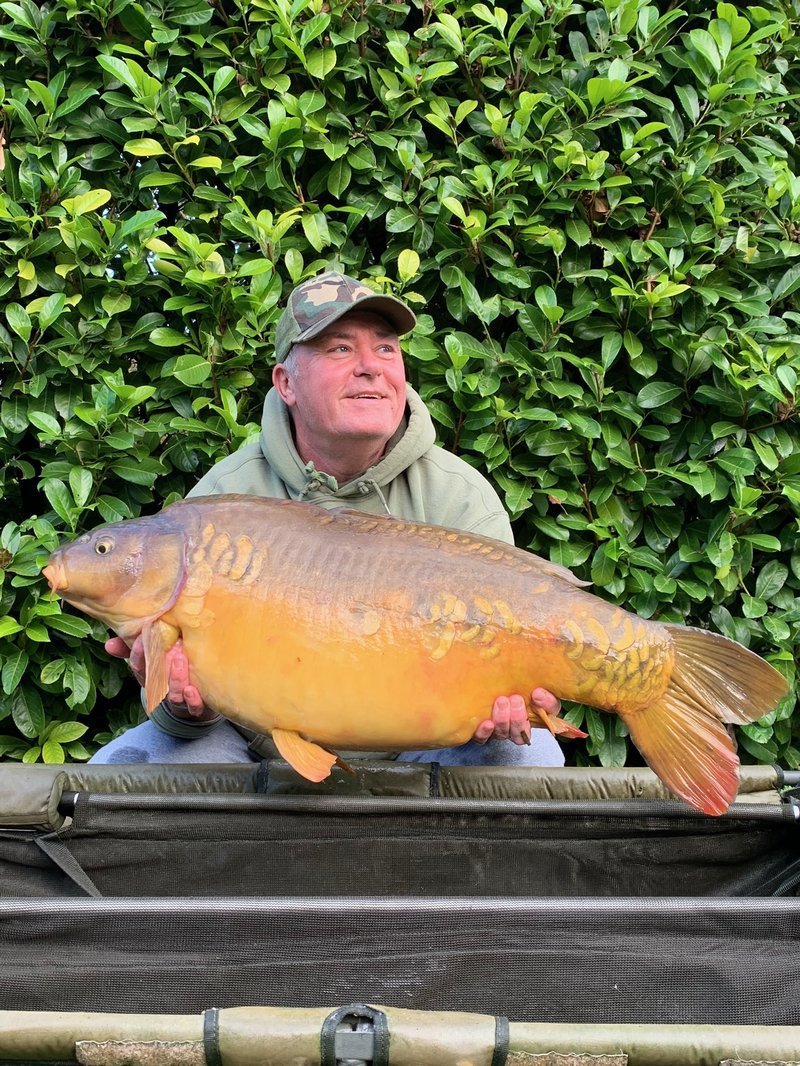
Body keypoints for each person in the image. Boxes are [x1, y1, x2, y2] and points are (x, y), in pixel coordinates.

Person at [90, 271, 566, 769]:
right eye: (339, 349)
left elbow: (523, 652)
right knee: (124, 770)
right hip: (258, 748)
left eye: (385, 349)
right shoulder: (221, 503)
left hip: (422, 745)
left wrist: (522, 702)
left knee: (525, 759)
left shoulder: (460, 499)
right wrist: (187, 706)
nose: (370, 368)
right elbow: (184, 715)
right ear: (286, 383)